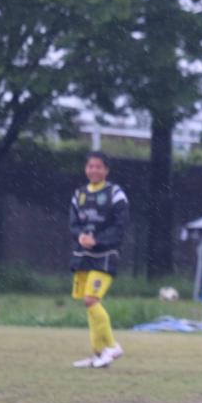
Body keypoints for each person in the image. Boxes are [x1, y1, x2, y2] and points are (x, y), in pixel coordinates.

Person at [69, 151, 128, 368]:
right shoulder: (79, 194)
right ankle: (99, 354)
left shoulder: (115, 194)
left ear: (106, 170)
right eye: (90, 166)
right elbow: (73, 224)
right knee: (90, 304)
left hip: (105, 256)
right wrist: (80, 237)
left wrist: (98, 240)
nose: (93, 170)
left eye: (98, 166)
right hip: (83, 256)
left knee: (91, 300)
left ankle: (112, 346)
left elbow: (120, 226)